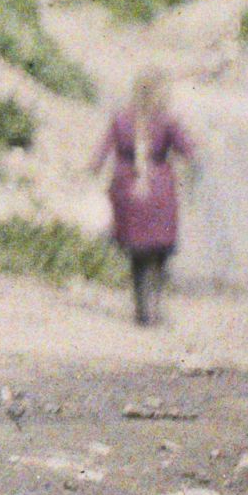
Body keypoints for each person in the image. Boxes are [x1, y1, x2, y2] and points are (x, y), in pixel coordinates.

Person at [90, 68, 197, 327]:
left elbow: (101, 152)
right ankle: (156, 307)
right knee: (160, 252)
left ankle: (141, 309)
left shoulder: (121, 119)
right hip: (159, 190)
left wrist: (93, 171)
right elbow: (188, 151)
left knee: (137, 253)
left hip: (127, 188)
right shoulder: (167, 121)